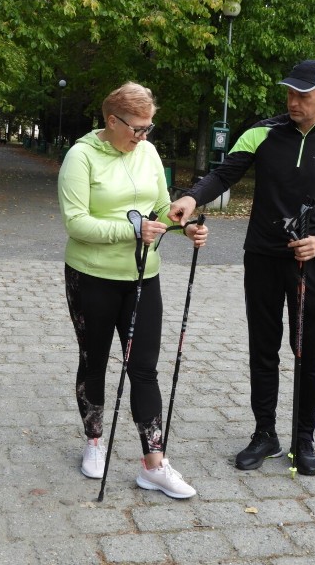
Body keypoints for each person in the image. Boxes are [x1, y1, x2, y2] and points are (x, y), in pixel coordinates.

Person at [168, 60, 315, 475]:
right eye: (289, 94)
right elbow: (223, 175)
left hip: (311, 262)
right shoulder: (263, 133)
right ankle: (265, 434)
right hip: (261, 257)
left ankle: (303, 439)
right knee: (264, 349)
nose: (293, 102)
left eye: (303, 95)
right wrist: (191, 198)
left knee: (308, 353)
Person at [57, 82, 208, 499]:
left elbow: (161, 208)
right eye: (137, 129)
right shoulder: (81, 157)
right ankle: (94, 441)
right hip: (92, 276)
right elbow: (76, 222)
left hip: (144, 276)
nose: (143, 136)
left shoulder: (148, 153)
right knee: (95, 361)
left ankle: (154, 464)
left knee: (143, 367)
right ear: (112, 121)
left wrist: (184, 223)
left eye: (148, 128)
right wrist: (131, 228)